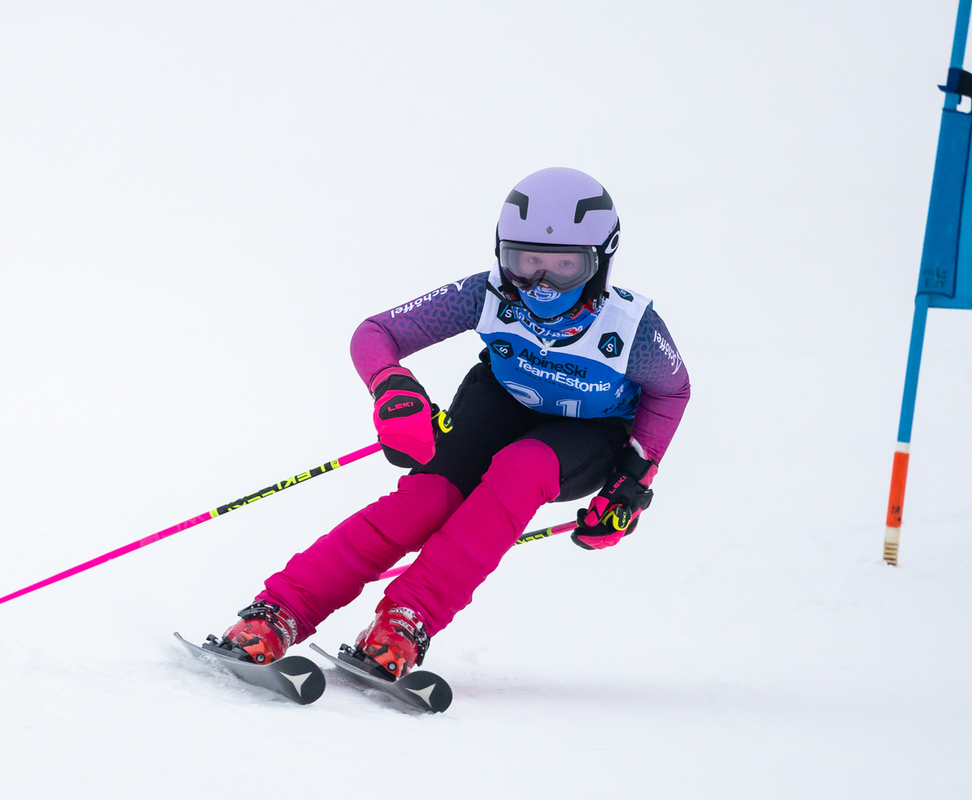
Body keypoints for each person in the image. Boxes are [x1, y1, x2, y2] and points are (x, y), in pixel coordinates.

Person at [208, 167, 691, 679]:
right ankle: (280, 611)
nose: (541, 284)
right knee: (425, 501)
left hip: (589, 428)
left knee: (520, 471)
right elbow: (376, 334)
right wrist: (393, 388)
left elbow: (671, 389)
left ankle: (405, 621)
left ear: (599, 262)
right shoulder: (486, 294)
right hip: (501, 401)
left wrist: (631, 482)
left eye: (564, 267)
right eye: (525, 261)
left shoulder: (632, 330)